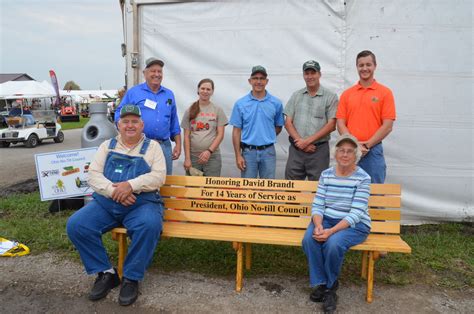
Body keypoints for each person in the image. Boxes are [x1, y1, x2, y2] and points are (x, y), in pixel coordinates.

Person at [67, 104, 167, 306]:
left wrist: (130, 185)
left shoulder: (153, 147)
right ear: (118, 124)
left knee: (149, 225)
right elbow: (93, 176)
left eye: (135, 121)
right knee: (77, 225)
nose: (130, 125)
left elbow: (158, 177)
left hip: (141, 203)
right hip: (108, 202)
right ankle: (106, 273)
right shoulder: (107, 146)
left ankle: (131, 277)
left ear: (142, 124)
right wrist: (115, 192)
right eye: (126, 121)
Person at [302, 134, 371, 313]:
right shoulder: (326, 174)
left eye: (349, 151)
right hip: (326, 219)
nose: (345, 154)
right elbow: (318, 204)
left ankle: (331, 288)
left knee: (333, 243)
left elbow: (356, 213)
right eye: (341, 150)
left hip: (354, 225)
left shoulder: (363, 178)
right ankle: (323, 284)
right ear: (336, 153)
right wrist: (318, 224)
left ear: (356, 155)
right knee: (310, 239)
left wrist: (330, 231)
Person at [336, 50, 396, 183]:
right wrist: (354, 145)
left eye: (368, 64)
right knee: (347, 192)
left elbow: (387, 126)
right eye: (361, 65)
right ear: (357, 67)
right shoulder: (347, 94)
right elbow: (340, 123)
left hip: (373, 151)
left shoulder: (385, 93)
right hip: (350, 151)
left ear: (375, 66)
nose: (364, 68)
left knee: (375, 194)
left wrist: (367, 145)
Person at [115, 57, 181, 175]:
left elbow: (174, 121)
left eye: (159, 71)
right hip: (140, 144)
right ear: (145, 73)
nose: (157, 74)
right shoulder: (134, 92)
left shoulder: (169, 94)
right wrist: (126, 134)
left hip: (164, 146)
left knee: (165, 181)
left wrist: (178, 144)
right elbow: (119, 114)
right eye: (153, 71)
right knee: (139, 180)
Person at [284, 60, 339, 181]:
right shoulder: (296, 95)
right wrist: (301, 143)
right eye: (307, 73)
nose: (310, 76)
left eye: (313, 73)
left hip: (318, 151)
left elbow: (331, 125)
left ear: (319, 74)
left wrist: (306, 142)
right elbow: (288, 122)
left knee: (318, 189)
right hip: (296, 150)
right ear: (303, 75)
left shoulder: (330, 97)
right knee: (291, 188)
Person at [229, 65, 284, 179]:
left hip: (268, 152)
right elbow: (236, 131)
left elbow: (279, 126)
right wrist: (238, 155)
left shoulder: (276, 103)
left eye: (262, 78)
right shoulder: (240, 104)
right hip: (248, 153)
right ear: (250, 81)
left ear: (267, 81)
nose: (258, 81)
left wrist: (266, 136)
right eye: (255, 78)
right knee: (248, 190)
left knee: (268, 190)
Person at [181, 78, 228, 176]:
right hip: (193, 158)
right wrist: (187, 158)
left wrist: (209, 151)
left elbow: (220, 135)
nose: (205, 91)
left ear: (212, 92)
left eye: (208, 89)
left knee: (211, 189)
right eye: (202, 88)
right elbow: (186, 136)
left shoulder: (217, 110)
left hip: (212, 158)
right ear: (198, 90)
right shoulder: (190, 110)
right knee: (192, 189)